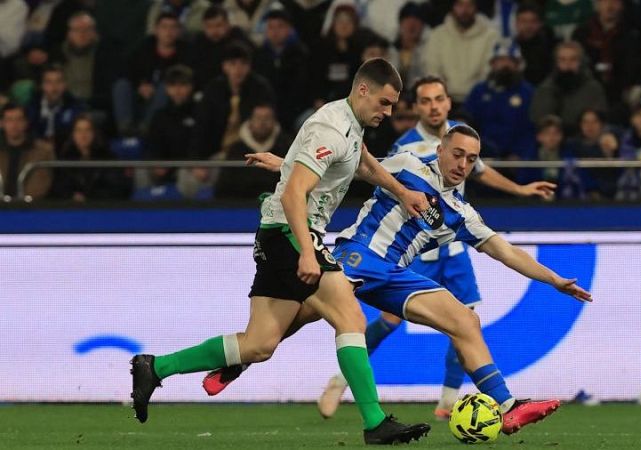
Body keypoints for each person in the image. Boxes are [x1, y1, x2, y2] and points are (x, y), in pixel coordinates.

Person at [202, 76, 558, 422]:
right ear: (440, 150)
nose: (463, 166)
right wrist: (285, 165)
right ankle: (242, 358)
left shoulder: (463, 214)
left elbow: (506, 251)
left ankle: (508, 408)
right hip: (357, 254)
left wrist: (556, 281)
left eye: (470, 160)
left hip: (397, 273)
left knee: (466, 320)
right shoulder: (406, 161)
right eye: (458, 156)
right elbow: (348, 167)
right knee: (295, 318)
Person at [130, 58, 433, 445]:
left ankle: (155, 368)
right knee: (351, 318)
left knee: (259, 344)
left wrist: (403, 192)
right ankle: (374, 422)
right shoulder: (332, 128)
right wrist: (308, 251)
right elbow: (293, 193)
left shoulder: (347, 123)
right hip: (293, 232)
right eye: (385, 103)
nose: (389, 112)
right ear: (363, 90)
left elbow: (363, 163)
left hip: (278, 233)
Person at [422, 0, 500, 104]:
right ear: (453, 7)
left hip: (479, 100)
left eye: (469, 5)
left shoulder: (491, 36)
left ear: (476, 7)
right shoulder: (437, 35)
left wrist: (475, 93)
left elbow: (488, 70)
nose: (465, 10)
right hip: (444, 101)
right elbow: (432, 68)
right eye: (460, 5)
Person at [215, 102, 292, 198]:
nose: (262, 123)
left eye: (267, 118)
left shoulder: (287, 146)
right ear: (250, 122)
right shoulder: (236, 149)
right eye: (258, 118)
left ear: (274, 121)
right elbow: (224, 187)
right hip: (241, 205)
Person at [530, 41, 607, 136]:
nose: (567, 64)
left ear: (581, 62)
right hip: (553, 143)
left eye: (573, 59)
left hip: (584, 143)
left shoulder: (593, 89)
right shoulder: (545, 89)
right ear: (556, 63)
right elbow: (539, 122)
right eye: (562, 60)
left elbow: (599, 122)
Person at [51, 113, 130, 201]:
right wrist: (71, 196)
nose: (83, 135)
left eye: (88, 130)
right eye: (78, 130)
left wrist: (88, 198)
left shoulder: (108, 158)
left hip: (101, 208)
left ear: (95, 133)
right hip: (71, 208)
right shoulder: (65, 159)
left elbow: (116, 189)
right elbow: (58, 188)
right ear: (73, 135)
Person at [0, 102, 55, 200]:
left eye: (19, 119)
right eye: (9, 120)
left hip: (30, 210)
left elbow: (39, 184)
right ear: (2, 123)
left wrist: (22, 204)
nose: (14, 125)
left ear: (25, 123)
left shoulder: (43, 151)